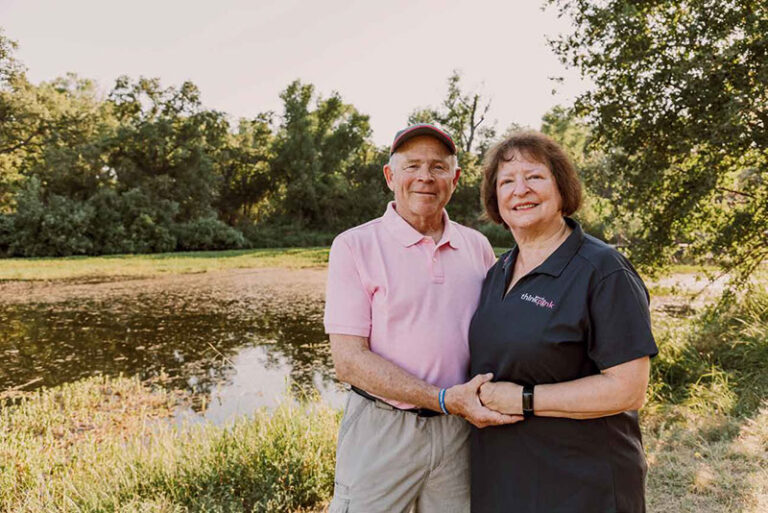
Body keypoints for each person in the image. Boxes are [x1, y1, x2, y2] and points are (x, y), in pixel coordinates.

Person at [324, 124, 522, 513]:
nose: (424, 177)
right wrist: (445, 399)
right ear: (389, 176)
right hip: (382, 428)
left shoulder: (477, 245)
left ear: (456, 178)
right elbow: (348, 361)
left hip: (460, 432)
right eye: (412, 165)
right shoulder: (354, 246)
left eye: (437, 166)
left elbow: (500, 332)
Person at [469, 131, 658, 513]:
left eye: (534, 177)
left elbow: (628, 389)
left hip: (581, 485)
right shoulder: (497, 271)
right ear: (496, 200)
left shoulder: (603, 270)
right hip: (503, 479)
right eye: (506, 181)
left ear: (562, 188)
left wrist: (523, 400)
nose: (520, 190)